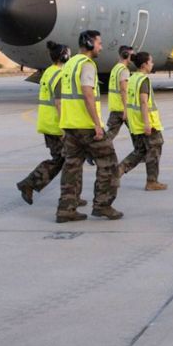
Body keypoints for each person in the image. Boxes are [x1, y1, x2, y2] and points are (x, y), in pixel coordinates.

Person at [55, 30, 123, 223]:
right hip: (86, 126)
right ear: (90, 43)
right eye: (99, 43)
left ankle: (66, 209)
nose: (101, 47)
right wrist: (97, 124)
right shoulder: (86, 65)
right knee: (109, 164)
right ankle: (103, 205)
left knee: (72, 167)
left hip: (70, 125)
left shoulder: (70, 64)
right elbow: (87, 94)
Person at [16, 40, 71, 204]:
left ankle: (71, 195)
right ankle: (29, 184)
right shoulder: (60, 75)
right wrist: (64, 128)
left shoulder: (48, 72)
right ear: (65, 56)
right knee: (66, 161)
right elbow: (59, 102)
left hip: (47, 123)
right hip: (56, 126)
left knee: (63, 160)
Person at [119, 51, 167, 190]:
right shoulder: (143, 80)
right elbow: (144, 102)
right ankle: (152, 181)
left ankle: (117, 171)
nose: (152, 64)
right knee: (155, 148)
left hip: (136, 122)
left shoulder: (133, 78)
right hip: (147, 123)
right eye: (151, 62)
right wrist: (147, 123)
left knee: (140, 151)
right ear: (145, 64)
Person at [105, 45, 133, 140]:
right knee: (137, 133)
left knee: (109, 135)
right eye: (131, 55)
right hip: (123, 109)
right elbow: (123, 90)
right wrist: (126, 109)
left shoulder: (115, 69)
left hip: (115, 108)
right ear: (126, 55)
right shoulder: (124, 70)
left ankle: (99, 150)